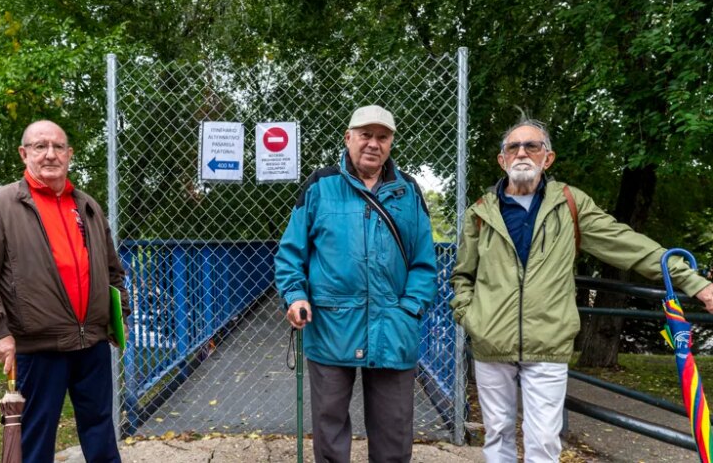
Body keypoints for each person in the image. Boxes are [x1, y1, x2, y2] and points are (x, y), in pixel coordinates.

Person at [450, 116, 713, 463]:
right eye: (513, 147)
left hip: (549, 341)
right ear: (502, 160)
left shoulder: (570, 204)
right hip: (490, 342)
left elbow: (628, 244)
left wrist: (695, 282)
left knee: (543, 440)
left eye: (532, 146)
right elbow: (462, 275)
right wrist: (471, 317)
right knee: (497, 434)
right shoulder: (481, 212)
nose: (522, 153)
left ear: (549, 157)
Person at [0, 120, 128, 463]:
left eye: (58, 147)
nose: (50, 154)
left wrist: (117, 314)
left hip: (90, 344)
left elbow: (112, 270)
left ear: (69, 154)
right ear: (24, 153)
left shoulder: (87, 206)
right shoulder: (0, 206)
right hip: (37, 347)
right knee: (35, 441)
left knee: (101, 434)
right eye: (39, 146)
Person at [275, 104, 438, 462]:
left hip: (393, 326)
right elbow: (291, 253)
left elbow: (425, 263)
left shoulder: (408, 192)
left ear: (391, 142)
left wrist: (410, 308)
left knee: (394, 432)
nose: (373, 144)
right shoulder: (321, 186)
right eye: (365, 135)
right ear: (348, 138)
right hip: (331, 325)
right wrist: (296, 295)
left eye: (382, 137)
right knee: (329, 429)